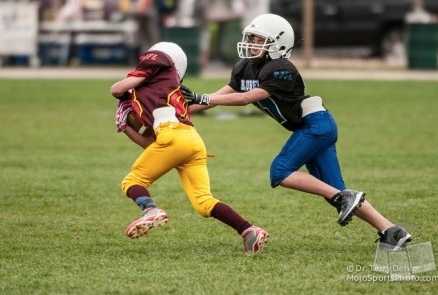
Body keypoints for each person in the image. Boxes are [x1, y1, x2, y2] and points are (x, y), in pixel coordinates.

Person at [181, 14, 412, 250]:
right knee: (337, 192)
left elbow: (246, 98)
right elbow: (217, 99)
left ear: (277, 43)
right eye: (251, 38)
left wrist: (203, 97)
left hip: (316, 124)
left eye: (259, 40)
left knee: (280, 171)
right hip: (312, 127)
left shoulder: (282, 67)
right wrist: (181, 110)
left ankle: (347, 199)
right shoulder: (245, 67)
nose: (252, 43)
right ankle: (392, 232)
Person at [110, 41, 269, 253]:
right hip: (192, 141)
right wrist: (125, 127)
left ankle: (150, 210)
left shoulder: (157, 63)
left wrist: (123, 101)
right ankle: (249, 230)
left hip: (172, 136)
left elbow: (116, 88)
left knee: (132, 181)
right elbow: (151, 145)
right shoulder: (165, 93)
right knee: (204, 203)